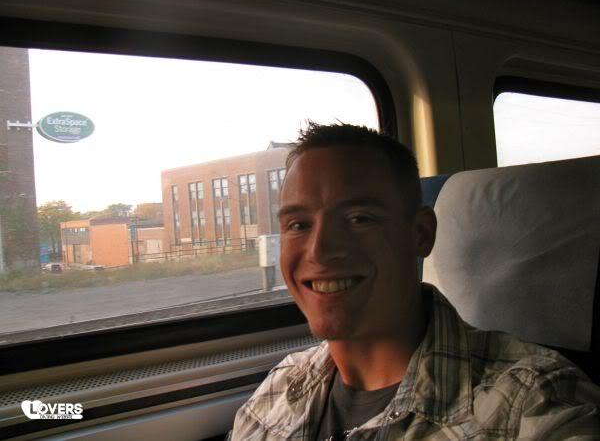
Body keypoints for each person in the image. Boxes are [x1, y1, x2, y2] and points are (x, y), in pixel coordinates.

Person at [229, 122, 599, 440]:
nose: (319, 251)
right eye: (298, 224)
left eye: (359, 218)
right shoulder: (280, 389)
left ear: (420, 234)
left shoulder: (530, 401)